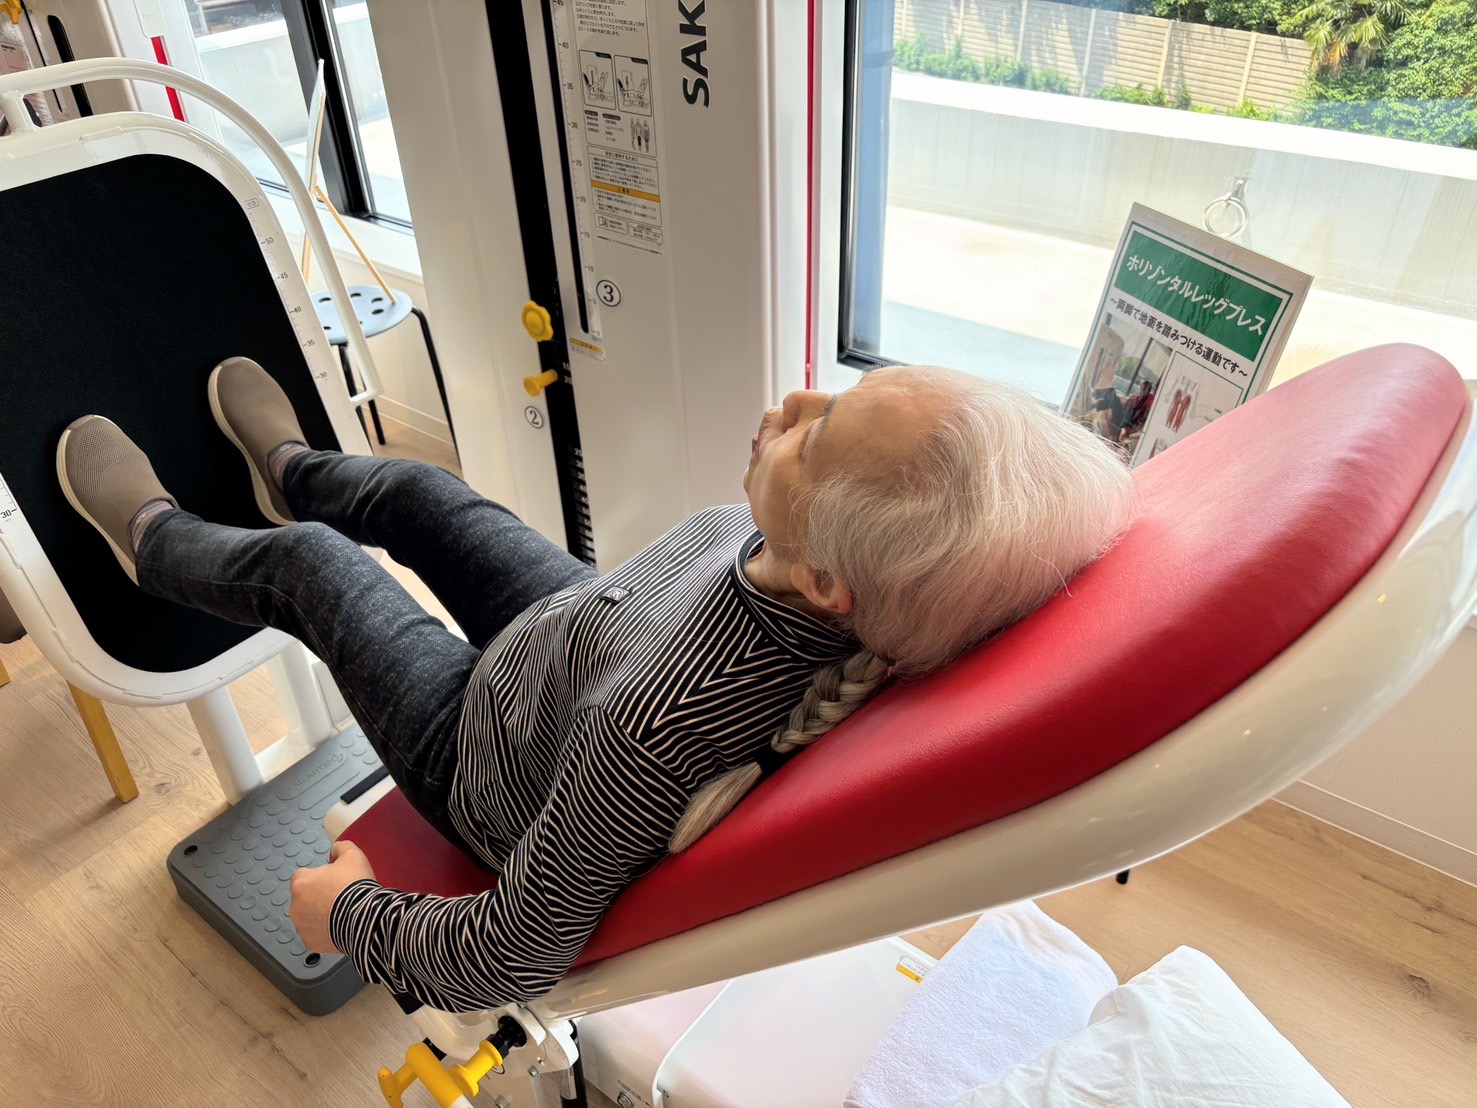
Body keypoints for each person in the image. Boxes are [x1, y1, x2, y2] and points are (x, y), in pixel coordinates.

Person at [56, 357, 1135, 1013]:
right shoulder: (814, 572)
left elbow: (511, 951)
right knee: (427, 495)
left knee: (313, 568)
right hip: (584, 639)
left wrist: (348, 915)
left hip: (477, 749)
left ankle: (155, 543)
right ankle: (293, 472)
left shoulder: (655, 726)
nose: (798, 396)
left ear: (826, 579)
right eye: (839, 394)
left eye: (816, 437)